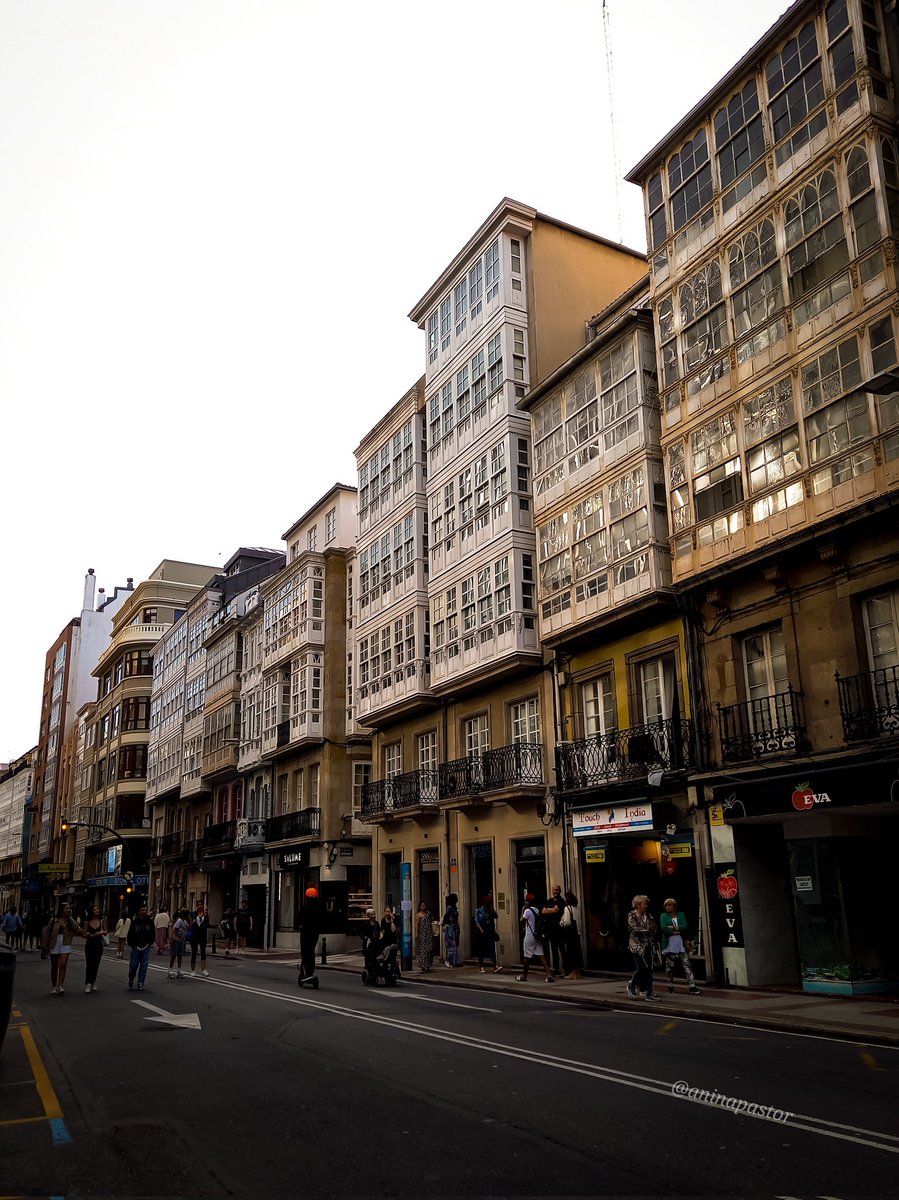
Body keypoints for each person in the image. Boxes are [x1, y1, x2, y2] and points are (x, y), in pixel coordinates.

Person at [660, 898, 702, 996]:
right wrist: (676, 930)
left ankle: (692, 986)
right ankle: (670, 984)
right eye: (666, 905)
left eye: (669, 905)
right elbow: (663, 928)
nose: (667, 907)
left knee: (687, 964)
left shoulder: (681, 915)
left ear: (674, 906)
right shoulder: (663, 915)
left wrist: (672, 927)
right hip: (669, 944)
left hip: (681, 943)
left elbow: (685, 926)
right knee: (670, 966)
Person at [41, 903, 82, 995]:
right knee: (54, 965)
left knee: (63, 964)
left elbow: (76, 928)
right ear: (61, 909)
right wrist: (44, 946)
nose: (68, 910)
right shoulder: (53, 920)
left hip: (65, 942)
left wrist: (71, 919)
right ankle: (54, 986)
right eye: (66, 908)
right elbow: (47, 933)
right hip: (54, 942)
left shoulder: (70, 921)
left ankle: (60, 986)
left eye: (69, 908)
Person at [626, 894, 660, 1001]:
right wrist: (647, 929)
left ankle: (649, 993)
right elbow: (636, 928)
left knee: (649, 969)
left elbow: (654, 928)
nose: (646, 906)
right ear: (637, 905)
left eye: (646, 904)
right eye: (644, 904)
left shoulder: (649, 916)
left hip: (648, 945)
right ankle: (632, 984)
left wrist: (648, 929)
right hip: (637, 946)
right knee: (641, 967)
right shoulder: (632, 915)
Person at [517, 894, 554, 983]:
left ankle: (524, 975)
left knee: (526, 957)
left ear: (527, 901)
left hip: (529, 936)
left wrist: (522, 910)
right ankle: (548, 974)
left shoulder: (527, 911)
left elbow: (521, 921)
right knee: (541, 955)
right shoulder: (537, 910)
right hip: (537, 936)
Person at [127, 902, 155, 991]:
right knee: (133, 965)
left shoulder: (150, 922)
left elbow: (152, 933)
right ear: (139, 911)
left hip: (146, 946)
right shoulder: (135, 922)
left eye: (146, 910)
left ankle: (140, 983)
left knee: (144, 965)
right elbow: (130, 933)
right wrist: (131, 944)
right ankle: (131, 976)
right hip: (136, 946)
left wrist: (150, 942)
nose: (144, 911)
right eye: (143, 910)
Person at [541, 884, 567, 977]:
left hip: (559, 929)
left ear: (560, 891)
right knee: (554, 950)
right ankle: (556, 969)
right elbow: (543, 911)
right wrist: (551, 909)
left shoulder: (561, 901)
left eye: (556, 890)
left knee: (562, 949)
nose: (555, 891)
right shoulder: (550, 900)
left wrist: (550, 910)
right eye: (554, 890)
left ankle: (565, 969)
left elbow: (556, 910)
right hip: (551, 930)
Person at [80, 905, 107, 993]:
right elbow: (83, 935)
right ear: (91, 911)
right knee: (90, 964)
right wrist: (91, 935)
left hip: (98, 944)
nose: (97, 910)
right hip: (90, 944)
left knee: (96, 964)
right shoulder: (87, 922)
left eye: (98, 909)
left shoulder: (102, 920)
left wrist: (101, 932)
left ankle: (93, 982)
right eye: (95, 909)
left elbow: (106, 932)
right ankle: (88, 983)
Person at [299, 887, 322, 980]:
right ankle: (310, 971)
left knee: (305, 951)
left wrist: (300, 926)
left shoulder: (305, 907)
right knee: (311, 951)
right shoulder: (319, 907)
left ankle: (306, 970)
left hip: (305, 931)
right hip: (315, 932)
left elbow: (299, 918)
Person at [475, 894, 502, 974]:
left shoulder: (491, 910)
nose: (488, 905)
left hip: (490, 931)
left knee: (492, 949)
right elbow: (477, 921)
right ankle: (481, 966)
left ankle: (495, 966)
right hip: (481, 933)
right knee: (481, 950)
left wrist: (492, 910)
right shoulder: (479, 910)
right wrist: (481, 929)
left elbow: (496, 916)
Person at [560, 890, 583, 980]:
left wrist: (561, 922)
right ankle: (577, 973)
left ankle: (573, 973)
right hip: (577, 932)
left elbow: (567, 922)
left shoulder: (567, 908)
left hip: (570, 933)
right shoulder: (577, 908)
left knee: (571, 952)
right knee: (577, 952)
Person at [188, 902, 210, 976]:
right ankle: (193, 970)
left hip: (203, 935)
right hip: (195, 935)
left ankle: (203, 969)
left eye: (201, 905)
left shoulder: (205, 914)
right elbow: (189, 925)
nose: (200, 906)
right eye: (198, 905)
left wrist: (204, 920)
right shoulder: (193, 914)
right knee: (194, 952)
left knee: (203, 952)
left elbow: (207, 924)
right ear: (196, 906)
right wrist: (193, 922)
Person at [167, 909, 190, 979]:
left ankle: (179, 970)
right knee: (173, 955)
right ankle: (170, 970)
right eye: (188, 914)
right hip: (175, 939)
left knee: (180, 955)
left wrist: (191, 921)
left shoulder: (184, 921)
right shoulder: (179, 921)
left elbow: (188, 928)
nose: (189, 916)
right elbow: (173, 929)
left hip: (181, 940)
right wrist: (170, 938)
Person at [441, 893, 461, 967]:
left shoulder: (454, 907)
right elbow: (446, 916)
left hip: (455, 926)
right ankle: (449, 960)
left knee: (456, 944)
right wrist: (449, 923)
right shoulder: (450, 907)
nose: (457, 899)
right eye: (456, 898)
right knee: (452, 945)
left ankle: (454, 961)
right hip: (451, 927)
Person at [414, 901, 434, 973]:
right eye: (422, 905)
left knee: (429, 949)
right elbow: (416, 925)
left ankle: (428, 964)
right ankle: (423, 965)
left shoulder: (427, 914)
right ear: (420, 907)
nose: (424, 907)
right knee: (423, 950)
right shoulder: (418, 915)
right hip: (422, 934)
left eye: (425, 905)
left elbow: (431, 920)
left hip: (428, 934)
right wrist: (416, 934)